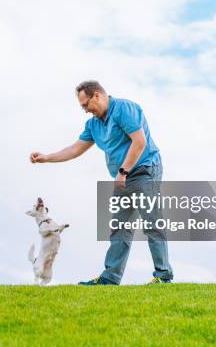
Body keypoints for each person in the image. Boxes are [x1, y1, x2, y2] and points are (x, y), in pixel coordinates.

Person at [29, 80, 173, 285]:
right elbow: (74, 150)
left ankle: (163, 276)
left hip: (144, 170)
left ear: (97, 95)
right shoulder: (94, 124)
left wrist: (123, 171)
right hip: (122, 178)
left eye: (86, 105)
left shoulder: (124, 109)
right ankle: (110, 278)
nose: (86, 110)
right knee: (120, 227)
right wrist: (46, 157)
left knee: (152, 223)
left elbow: (139, 141)